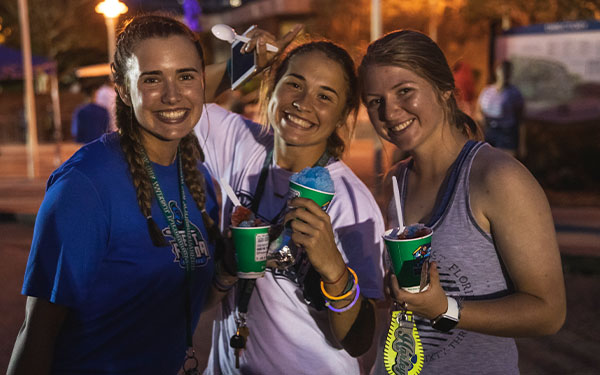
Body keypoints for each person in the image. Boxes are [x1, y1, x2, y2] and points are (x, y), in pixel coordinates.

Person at [8, 14, 230, 374]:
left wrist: (228, 270)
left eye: (185, 76)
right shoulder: (85, 186)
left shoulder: (197, 179)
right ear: (124, 90)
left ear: (203, 83)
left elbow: (184, 298)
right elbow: (38, 333)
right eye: (152, 79)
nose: (173, 94)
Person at [358, 30, 566, 374]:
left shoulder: (498, 178)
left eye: (404, 91)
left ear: (445, 91)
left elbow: (548, 313)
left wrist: (445, 309)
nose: (390, 111)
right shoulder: (396, 181)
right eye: (375, 100)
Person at [196, 36, 386, 374]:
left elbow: (358, 341)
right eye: (294, 84)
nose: (302, 103)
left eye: (324, 96)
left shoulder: (351, 203)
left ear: (343, 114)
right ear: (272, 87)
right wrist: (241, 65)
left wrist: (334, 270)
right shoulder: (243, 143)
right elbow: (182, 102)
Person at [476, 60, 525, 157]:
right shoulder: (487, 91)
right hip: (489, 132)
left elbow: (521, 120)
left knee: (504, 165)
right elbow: (478, 110)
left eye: (508, 71)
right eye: (502, 70)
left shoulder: (514, 93)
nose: (505, 73)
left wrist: (522, 144)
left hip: (506, 134)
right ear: (497, 71)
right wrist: (481, 121)